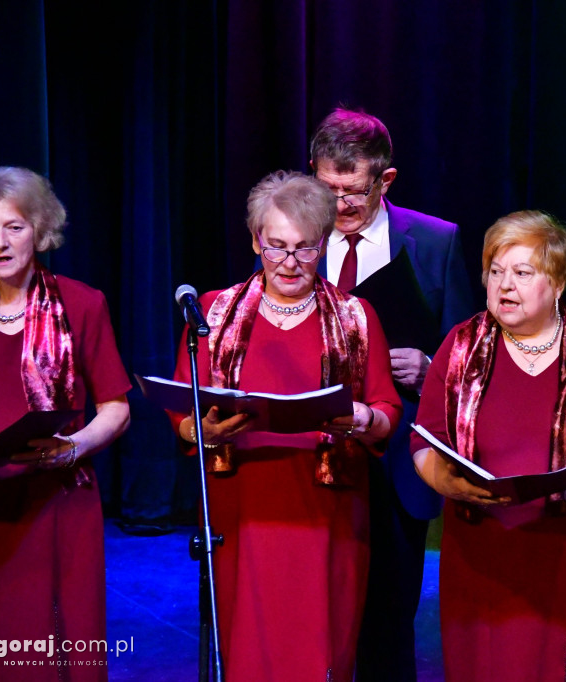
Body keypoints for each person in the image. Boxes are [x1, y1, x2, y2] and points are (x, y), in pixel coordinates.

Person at [171, 170, 402, 681]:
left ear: (323, 245)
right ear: (256, 241)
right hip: (243, 509)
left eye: (304, 248)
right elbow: (181, 415)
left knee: (322, 650)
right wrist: (198, 430)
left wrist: (361, 417)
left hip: (328, 514)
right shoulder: (215, 312)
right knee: (249, 649)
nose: (289, 263)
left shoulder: (356, 316)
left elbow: (386, 411)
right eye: (276, 247)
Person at [410, 210, 566, 682]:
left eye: (521, 272)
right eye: (495, 272)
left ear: (556, 282)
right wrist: (446, 482)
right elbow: (423, 437)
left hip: (562, 549)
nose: (504, 285)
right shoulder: (460, 345)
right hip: (479, 547)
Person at [0, 167, 131, 680]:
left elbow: (116, 410)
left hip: (59, 507)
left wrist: (72, 448)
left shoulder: (82, 304)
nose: (0, 242)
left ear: (39, 230)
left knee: (62, 651)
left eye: (14, 227)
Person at [309, 107, 473, 681]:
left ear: (386, 180)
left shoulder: (435, 241)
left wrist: (428, 366)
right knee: (314, 616)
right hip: (313, 453)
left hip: (396, 456)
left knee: (387, 621)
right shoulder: (294, 239)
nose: (337, 205)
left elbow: (470, 355)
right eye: (326, 188)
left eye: (352, 192)